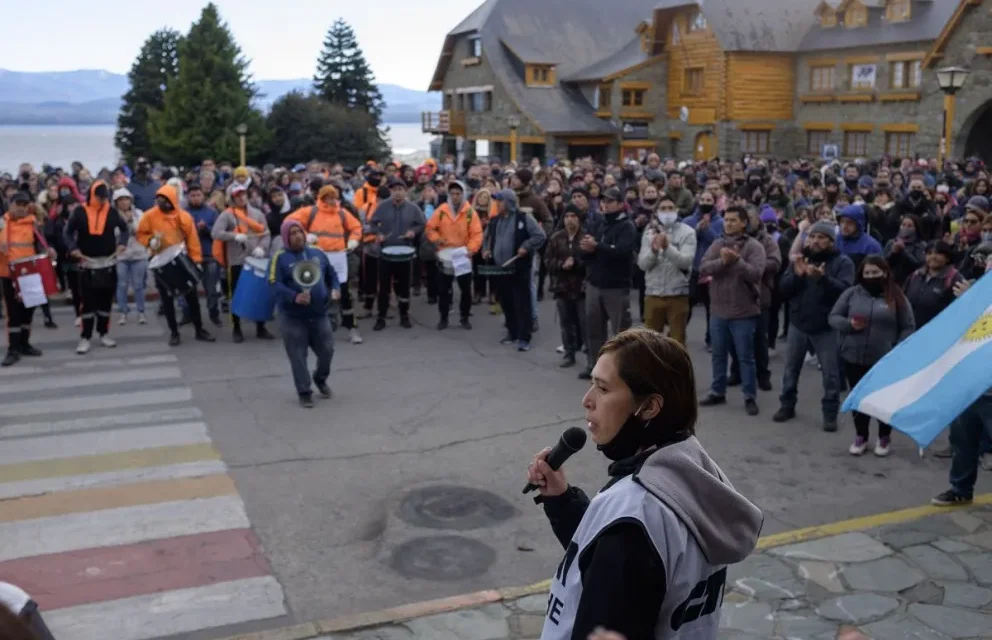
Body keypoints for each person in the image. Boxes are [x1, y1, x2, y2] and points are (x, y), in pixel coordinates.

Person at [526, 328, 761, 640]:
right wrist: (562, 501)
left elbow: (625, 553)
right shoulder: (690, 472)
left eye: (603, 388)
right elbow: (610, 559)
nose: (587, 400)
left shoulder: (636, 518)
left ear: (650, 407)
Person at [829, 256, 915, 457]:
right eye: (867, 273)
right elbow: (833, 317)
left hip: (885, 358)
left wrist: (897, 348)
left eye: (875, 273)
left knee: (883, 400)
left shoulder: (897, 296)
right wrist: (849, 325)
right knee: (859, 399)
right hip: (854, 355)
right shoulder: (851, 294)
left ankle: (884, 436)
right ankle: (861, 435)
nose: (871, 277)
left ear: (885, 273)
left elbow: (908, 326)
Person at [774, 221, 855, 431]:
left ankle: (830, 413)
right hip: (799, 324)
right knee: (791, 369)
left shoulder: (842, 263)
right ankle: (787, 405)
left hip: (826, 327)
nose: (814, 241)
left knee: (831, 374)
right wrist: (798, 276)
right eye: (812, 237)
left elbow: (846, 293)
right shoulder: (799, 260)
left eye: (821, 237)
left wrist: (823, 279)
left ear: (830, 241)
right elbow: (783, 290)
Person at [931, 256, 992, 506]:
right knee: (963, 441)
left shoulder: (979, 298)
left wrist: (975, 302)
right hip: (971, 387)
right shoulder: (976, 293)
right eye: (989, 262)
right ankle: (960, 488)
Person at [698, 207, 766, 416]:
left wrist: (736, 261)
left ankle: (749, 396)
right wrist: (723, 262)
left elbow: (756, 274)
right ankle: (718, 391)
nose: (728, 223)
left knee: (745, 357)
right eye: (726, 220)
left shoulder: (754, 246)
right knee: (718, 354)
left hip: (743, 312)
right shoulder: (718, 243)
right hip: (719, 310)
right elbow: (703, 268)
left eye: (733, 220)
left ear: (744, 223)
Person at [269, 219, 340, 408]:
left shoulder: (317, 253)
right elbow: (273, 284)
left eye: (299, 231)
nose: (297, 236)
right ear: (286, 237)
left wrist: (335, 289)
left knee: (327, 349)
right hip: (292, 317)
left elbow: (332, 274)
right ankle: (304, 391)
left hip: (318, 313)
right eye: (292, 233)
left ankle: (320, 378)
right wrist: (294, 296)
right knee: (298, 355)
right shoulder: (280, 257)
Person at [136, 185, 216, 346]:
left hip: (181, 260)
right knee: (167, 299)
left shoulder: (183, 216)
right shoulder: (149, 216)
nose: (161, 205)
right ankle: (174, 332)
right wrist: (150, 241)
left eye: (165, 202)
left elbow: (192, 239)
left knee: (192, 297)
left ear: (172, 201)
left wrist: (196, 261)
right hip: (160, 260)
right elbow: (141, 234)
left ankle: (199, 329)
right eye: (159, 201)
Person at [287, 184, 363, 343]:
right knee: (316, 292)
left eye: (334, 197)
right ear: (321, 198)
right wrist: (305, 235)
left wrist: (354, 240)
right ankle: (315, 330)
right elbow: (290, 220)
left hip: (339, 257)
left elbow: (356, 226)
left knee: (343, 292)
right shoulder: (311, 211)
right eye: (328, 197)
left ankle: (351, 328)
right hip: (318, 256)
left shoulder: (342, 213)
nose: (331, 200)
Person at [63, 179, 129, 354]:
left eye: (105, 198)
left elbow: (125, 229)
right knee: (88, 303)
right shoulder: (79, 212)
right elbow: (67, 232)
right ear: (92, 195)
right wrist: (73, 248)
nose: (102, 201)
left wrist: (122, 243)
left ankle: (104, 333)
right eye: (99, 198)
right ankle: (85, 337)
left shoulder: (112, 212)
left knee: (105, 301)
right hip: (87, 263)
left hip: (108, 261)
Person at [579, 187, 637, 379]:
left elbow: (622, 252)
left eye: (610, 201)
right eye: (603, 201)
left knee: (621, 331)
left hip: (616, 286)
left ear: (621, 204)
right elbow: (591, 249)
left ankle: (624, 369)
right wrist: (586, 248)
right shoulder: (600, 223)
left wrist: (597, 246)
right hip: (595, 284)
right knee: (594, 329)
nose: (605, 204)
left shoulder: (626, 226)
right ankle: (595, 365)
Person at [482, 189, 546, 351]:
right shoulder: (495, 220)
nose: (497, 203)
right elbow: (487, 238)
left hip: (519, 268)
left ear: (509, 202)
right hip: (501, 269)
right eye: (497, 200)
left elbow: (539, 236)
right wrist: (486, 250)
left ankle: (525, 337)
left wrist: (526, 247)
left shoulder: (524, 218)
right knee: (506, 301)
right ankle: (512, 331)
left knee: (522, 303)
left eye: (500, 200)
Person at [212, 183, 273, 342]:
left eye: (243, 194)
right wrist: (233, 236)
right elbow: (216, 233)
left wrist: (262, 247)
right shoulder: (227, 215)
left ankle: (261, 326)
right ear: (232, 198)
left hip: (257, 259)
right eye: (237, 195)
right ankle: (237, 328)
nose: (241, 198)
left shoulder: (258, 214)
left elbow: (266, 234)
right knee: (236, 295)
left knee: (259, 293)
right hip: (237, 261)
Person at [0, 191, 55, 367]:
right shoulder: (1, 224)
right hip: (8, 275)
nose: (22, 208)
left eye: (25, 205)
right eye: (18, 204)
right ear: (11, 204)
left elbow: (41, 247)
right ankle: (13, 349)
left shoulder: (33, 225)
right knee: (14, 313)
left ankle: (24, 344)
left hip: (29, 275)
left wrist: (49, 251)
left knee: (28, 313)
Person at [364, 178, 425, 331]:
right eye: (394, 189)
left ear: (405, 191)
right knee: (384, 287)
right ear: (390, 191)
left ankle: (404, 316)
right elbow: (371, 223)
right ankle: (381, 317)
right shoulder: (382, 207)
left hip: (405, 252)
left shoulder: (413, 208)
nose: (397, 192)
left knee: (404, 286)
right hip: (385, 253)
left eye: (400, 189)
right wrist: (378, 234)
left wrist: (413, 232)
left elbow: (422, 223)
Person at [636, 194, 696, 345]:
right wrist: (654, 252)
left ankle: (676, 369)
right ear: (656, 212)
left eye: (670, 208)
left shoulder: (688, 232)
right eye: (663, 208)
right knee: (651, 344)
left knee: (677, 343)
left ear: (676, 210)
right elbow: (642, 264)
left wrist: (667, 248)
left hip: (677, 294)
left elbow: (686, 262)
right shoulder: (649, 232)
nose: (667, 212)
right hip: (653, 294)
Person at [425, 181, 482, 330]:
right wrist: (437, 239)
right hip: (445, 255)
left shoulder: (470, 212)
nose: (455, 196)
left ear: (463, 194)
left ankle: (464, 317)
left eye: (458, 193)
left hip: (463, 255)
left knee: (465, 289)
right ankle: (443, 318)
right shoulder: (442, 210)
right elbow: (430, 228)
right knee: (444, 289)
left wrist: (471, 249)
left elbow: (476, 234)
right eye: (452, 194)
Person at [545, 206, 587, 368]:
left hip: (581, 288)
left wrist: (576, 263)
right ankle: (569, 353)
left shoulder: (585, 237)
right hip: (562, 287)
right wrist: (561, 264)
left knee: (585, 323)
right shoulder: (556, 238)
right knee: (566, 323)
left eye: (573, 216)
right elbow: (547, 261)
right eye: (567, 216)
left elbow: (591, 261)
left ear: (578, 218)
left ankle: (591, 356)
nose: (570, 219)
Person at [185, 184, 222, 326]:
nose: (195, 198)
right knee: (188, 288)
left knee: (211, 288)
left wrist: (205, 228)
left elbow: (217, 233)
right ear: (188, 197)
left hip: (209, 255)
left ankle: (214, 314)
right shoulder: (184, 213)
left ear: (203, 196)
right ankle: (188, 314)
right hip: (190, 256)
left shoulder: (211, 212)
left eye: (198, 195)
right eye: (192, 195)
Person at [113, 188, 149, 325]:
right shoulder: (113, 215)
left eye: (126, 199)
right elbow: (114, 233)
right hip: (121, 256)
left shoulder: (139, 213)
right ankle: (123, 312)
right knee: (122, 284)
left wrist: (129, 222)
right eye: (120, 200)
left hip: (139, 254)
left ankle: (141, 312)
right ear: (116, 202)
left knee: (138, 285)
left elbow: (142, 230)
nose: (124, 202)